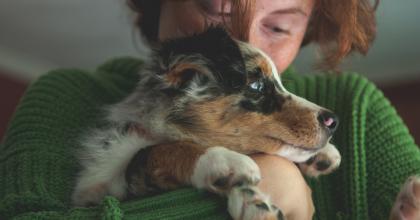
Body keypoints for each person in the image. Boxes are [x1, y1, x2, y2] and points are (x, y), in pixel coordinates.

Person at [0, 0, 419, 219]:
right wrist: (275, 185)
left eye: (277, 26)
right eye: (218, 11)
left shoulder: (358, 108)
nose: (242, 37)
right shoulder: (66, 95)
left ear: (308, 28)